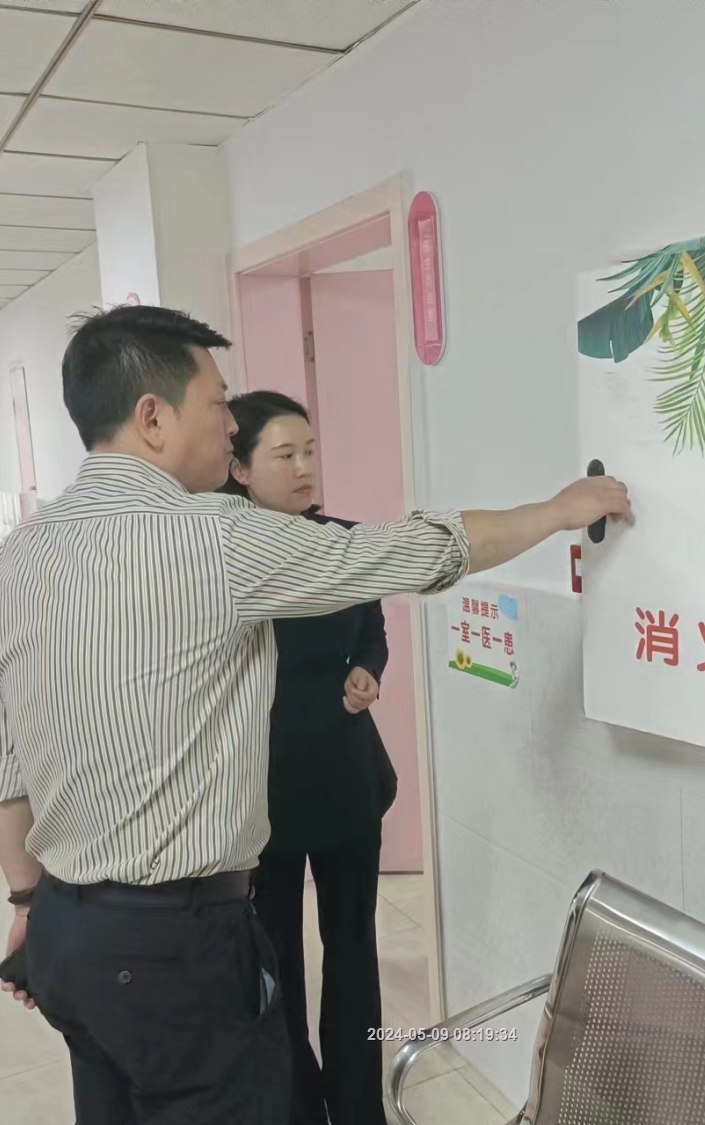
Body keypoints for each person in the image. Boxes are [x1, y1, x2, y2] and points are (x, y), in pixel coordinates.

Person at [0, 304, 630, 1125]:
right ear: (152, 417)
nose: (229, 424)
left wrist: (26, 905)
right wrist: (558, 509)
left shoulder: (16, 558)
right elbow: (406, 550)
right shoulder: (214, 537)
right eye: (218, 403)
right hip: (175, 946)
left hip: (66, 934)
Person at [220, 390, 393, 1125]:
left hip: (347, 781)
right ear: (239, 468)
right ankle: (296, 1103)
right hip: (262, 794)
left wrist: (367, 670)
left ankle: (358, 1105)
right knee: (277, 960)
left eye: (310, 451)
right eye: (284, 454)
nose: (303, 468)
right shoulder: (223, 561)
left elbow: (373, 629)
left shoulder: (343, 543)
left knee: (353, 949)